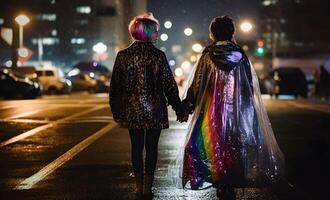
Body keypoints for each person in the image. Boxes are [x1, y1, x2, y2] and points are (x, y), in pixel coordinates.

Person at [170, 16, 285, 200]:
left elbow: (198, 84)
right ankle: (230, 182)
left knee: (210, 147)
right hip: (236, 114)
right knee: (234, 147)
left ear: (213, 33)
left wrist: (186, 107)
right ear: (232, 32)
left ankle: (219, 183)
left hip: (210, 112)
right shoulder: (240, 55)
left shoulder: (208, 55)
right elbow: (248, 87)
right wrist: (248, 113)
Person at [109, 13, 187, 200]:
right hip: (155, 110)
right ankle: (147, 188)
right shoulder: (158, 55)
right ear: (147, 33)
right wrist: (179, 108)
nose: (157, 35)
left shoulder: (123, 56)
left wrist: (116, 110)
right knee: (152, 148)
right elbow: (169, 84)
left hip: (132, 109)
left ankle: (138, 187)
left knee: (136, 147)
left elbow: (116, 86)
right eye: (155, 32)